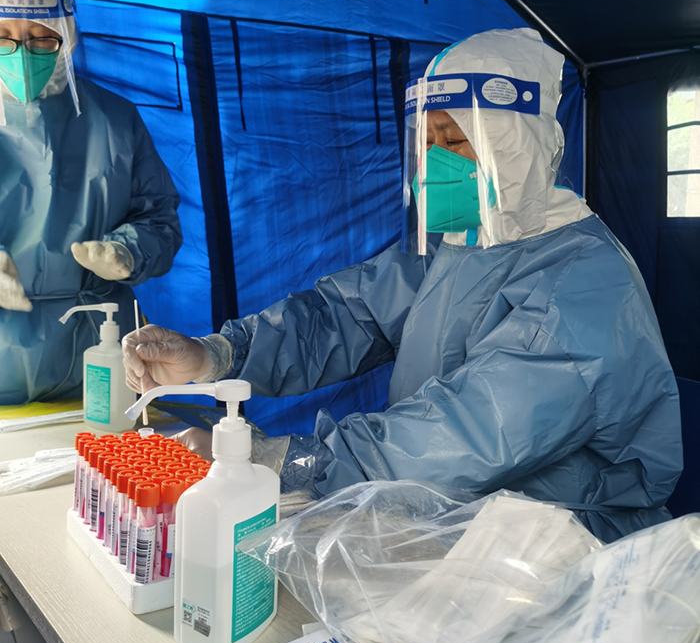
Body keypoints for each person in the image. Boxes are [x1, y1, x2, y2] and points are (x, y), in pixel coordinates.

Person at [123, 27, 682, 543]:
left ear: (516, 146)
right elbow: (344, 316)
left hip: (562, 549)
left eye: (455, 142)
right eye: (427, 141)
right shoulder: (461, 244)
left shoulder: (583, 288)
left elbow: (468, 434)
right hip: (451, 518)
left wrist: (284, 463)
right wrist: (217, 356)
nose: (434, 162)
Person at [0, 0, 182, 404]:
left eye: (41, 39)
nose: (21, 55)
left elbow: (160, 220)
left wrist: (128, 251)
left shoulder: (115, 119)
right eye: (3, 37)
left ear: (66, 33)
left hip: (98, 365)